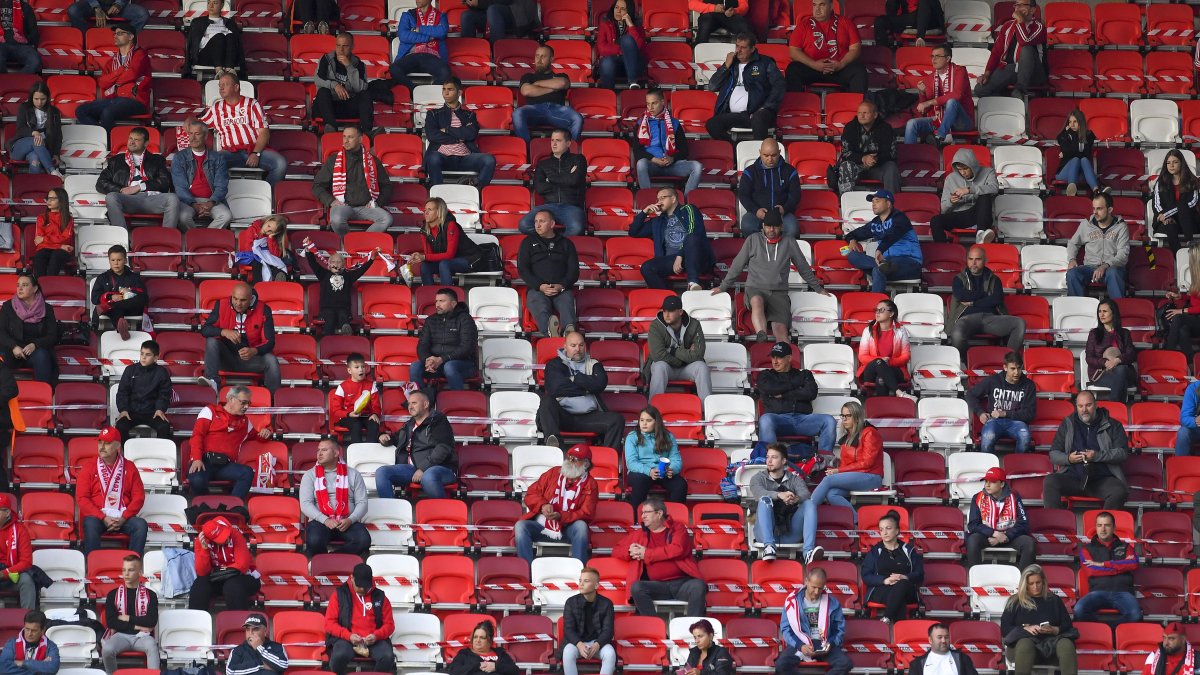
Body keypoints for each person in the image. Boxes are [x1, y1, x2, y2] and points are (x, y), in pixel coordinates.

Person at [717, 211, 827, 342]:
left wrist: (818, 288)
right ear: (763, 226)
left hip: (779, 293)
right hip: (755, 288)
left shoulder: (789, 242)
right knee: (757, 301)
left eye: (775, 226)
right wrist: (723, 287)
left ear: (781, 227)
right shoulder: (753, 239)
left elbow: (803, 267)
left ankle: (786, 359)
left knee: (780, 330)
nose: (771, 229)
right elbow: (737, 265)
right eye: (768, 226)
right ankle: (761, 334)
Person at [801, 400, 883, 565]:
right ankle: (856, 520)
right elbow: (847, 465)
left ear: (857, 417)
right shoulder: (846, 438)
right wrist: (837, 466)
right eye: (843, 415)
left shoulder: (869, 433)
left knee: (828, 479)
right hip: (855, 476)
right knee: (832, 493)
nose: (844, 419)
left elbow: (867, 463)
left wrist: (838, 472)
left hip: (871, 476)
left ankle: (804, 513)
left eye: (848, 416)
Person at [614, 496, 706, 617]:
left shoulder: (677, 528)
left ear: (659, 513)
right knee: (637, 587)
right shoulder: (639, 534)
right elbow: (616, 550)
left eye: (646, 512)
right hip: (657, 586)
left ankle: (694, 630)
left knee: (698, 585)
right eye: (642, 513)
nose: (642, 516)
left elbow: (677, 549)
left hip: (682, 583)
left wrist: (647, 554)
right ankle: (656, 629)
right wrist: (629, 551)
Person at [539, 331, 626, 451]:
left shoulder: (593, 364)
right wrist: (586, 389)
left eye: (580, 345)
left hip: (589, 417)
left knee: (617, 420)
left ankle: (606, 458)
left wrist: (575, 378)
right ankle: (555, 446)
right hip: (563, 416)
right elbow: (555, 388)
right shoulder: (554, 365)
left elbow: (600, 384)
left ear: (585, 346)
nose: (577, 349)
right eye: (573, 345)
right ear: (565, 347)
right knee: (547, 401)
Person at [1044, 391, 1130, 509]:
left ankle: (1103, 526)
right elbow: (1053, 455)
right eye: (1080, 406)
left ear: (1096, 404)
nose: (1084, 409)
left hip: (1102, 479)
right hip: (1073, 477)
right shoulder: (1068, 424)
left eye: (1088, 405)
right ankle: (1052, 525)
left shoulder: (1113, 425)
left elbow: (1122, 453)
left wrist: (1097, 456)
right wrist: (1068, 459)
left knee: (1119, 491)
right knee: (1050, 481)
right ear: (1076, 406)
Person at [200, 73, 287, 185]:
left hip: (255, 150)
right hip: (229, 153)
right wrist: (190, 119)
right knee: (209, 163)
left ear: (236, 87)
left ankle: (268, 193)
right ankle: (219, 195)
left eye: (225, 84)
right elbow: (199, 124)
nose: (221, 88)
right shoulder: (216, 108)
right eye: (219, 85)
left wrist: (256, 153)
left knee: (280, 164)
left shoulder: (252, 104)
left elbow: (264, 132)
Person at [515, 444, 597, 564]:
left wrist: (561, 516)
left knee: (581, 527)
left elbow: (586, 513)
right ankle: (526, 573)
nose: (569, 461)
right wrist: (543, 505)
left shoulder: (591, 484)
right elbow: (531, 494)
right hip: (542, 527)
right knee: (520, 526)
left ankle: (579, 573)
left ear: (586, 464)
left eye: (574, 459)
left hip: (568, 529)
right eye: (569, 457)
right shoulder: (553, 473)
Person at [188, 386, 272, 498]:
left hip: (225, 466)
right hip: (204, 462)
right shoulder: (210, 410)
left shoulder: (245, 421)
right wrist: (197, 459)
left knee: (247, 472)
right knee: (197, 480)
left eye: (248, 403)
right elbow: (197, 435)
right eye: (243, 402)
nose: (246, 406)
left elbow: (258, 436)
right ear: (231, 399)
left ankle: (232, 508)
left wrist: (267, 431)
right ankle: (204, 507)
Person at [754, 343, 836, 455]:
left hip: (803, 419)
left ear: (789, 358)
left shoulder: (805, 374)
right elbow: (772, 389)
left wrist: (783, 394)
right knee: (765, 420)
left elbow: (811, 393)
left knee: (829, 420)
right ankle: (771, 459)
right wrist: (796, 384)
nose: (775, 361)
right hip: (778, 420)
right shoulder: (765, 375)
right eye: (773, 357)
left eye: (779, 357)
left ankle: (824, 460)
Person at [77, 426, 148, 555]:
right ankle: (93, 566)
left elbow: (139, 497)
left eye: (107, 443)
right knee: (90, 523)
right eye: (100, 442)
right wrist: (103, 517)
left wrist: (124, 517)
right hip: (98, 516)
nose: (102, 447)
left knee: (140, 525)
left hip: (122, 517)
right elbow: (82, 499)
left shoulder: (130, 467)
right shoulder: (89, 466)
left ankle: (133, 565)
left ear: (117, 446)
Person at [199, 282, 281, 393]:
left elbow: (270, 342)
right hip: (225, 359)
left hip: (251, 360)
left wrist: (254, 351)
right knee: (211, 340)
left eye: (243, 300)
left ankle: (272, 399)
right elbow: (205, 330)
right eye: (235, 298)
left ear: (251, 299)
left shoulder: (263, 309)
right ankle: (212, 382)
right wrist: (223, 332)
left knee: (271, 360)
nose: (238, 303)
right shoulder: (222, 304)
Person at [376, 389, 458, 499]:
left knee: (428, 476)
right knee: (382, 472)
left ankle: (444, 512)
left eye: (414, 403)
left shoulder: (438, 421)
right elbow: (397, 438)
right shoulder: (409, 424)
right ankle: (391, 512)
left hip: (441, 468)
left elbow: (443, 448)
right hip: (412, 469)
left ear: (425, 404)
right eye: (409, 403)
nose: (410, 406)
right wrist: (384, 438)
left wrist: (423, 468)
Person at [948, 246, 1026, 360]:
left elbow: (997, 299)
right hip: (966, 319)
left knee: (1020, 323)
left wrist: (974, 303)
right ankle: (967, 363)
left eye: (978, 259)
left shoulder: (995, 279)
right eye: (970, 259)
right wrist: (985, 295)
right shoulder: (958, 279)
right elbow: (961, 295)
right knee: (957, 334)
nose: (973, 263)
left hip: (990, 318)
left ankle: (1008, 362)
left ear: (985, 261)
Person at [630, 187, 715, 290]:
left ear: (673, 199)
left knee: (692, 237)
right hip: (671, 261)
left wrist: (680, 255)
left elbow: (694, 231)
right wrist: (644, 213)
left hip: (696, 257)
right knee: (647, 268)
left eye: (662, 198)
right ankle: (667, 297)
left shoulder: (688, 209)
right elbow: (634, 232)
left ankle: (693, 283)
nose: (659, 202)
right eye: (657, 199)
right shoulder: (658, 221)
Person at [705, 32, 784, 142]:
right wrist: (726, 66)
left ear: (752, 49)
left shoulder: (765, 63)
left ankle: (760, 155)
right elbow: (713, 86)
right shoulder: (731, 64)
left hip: (760, 113)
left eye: (743, 47)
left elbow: (779, 85)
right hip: (738, 115)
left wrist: (766, 107)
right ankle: (736, 149)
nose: (738, 51)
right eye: (737, 46)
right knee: (712, 124)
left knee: (758, 118)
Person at [313, 126, 392, 235]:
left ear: (360, 140)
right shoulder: (334, 160)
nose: (346, 140)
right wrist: (331, 201)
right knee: (336, 220)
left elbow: (386, 186)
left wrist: (377, 202)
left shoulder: (373, 161)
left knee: (386, 219)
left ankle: (361, 242)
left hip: (367, 207)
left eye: (350, 137)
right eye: (344, 136)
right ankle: (347, 242)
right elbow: (317, 185)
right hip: (343, 206)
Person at [1001, 565, 1078, 675]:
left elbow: (1068, 625)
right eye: (1031, 584)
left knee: (1066, 644)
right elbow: (1005, 629)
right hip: (1022, 648)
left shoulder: (1054, 600)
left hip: (1051, 646)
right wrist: (1025, 629)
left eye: (1038, 582)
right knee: (1025, 643)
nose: (1035, 587)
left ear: (1043, 582)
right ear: (1024, 584)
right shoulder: (1015, 602)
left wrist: (1055, 629)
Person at [299, 439, 371, 557]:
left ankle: (332, 558)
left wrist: (350, 520)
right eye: (318, 450)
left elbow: (362, 503)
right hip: (321, 521)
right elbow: (305, 504)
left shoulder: (353, 474)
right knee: (314, 540)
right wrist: (325, 520)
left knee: (363, 540)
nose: (319, 454)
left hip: (347, 520)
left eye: (324, 450)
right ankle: (323, 563)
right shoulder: (309, 475)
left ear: (336, 453)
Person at [776, 567, 852, 675]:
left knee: (845, 663)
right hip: (800, 643)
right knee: (781, 665)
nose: (816, 592)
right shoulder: (792, 602)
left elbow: (839, 629)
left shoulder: (833, 603)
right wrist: (800, 646)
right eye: (814, 587)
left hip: (823, 644)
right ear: (806, 581)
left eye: (820, 588)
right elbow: (786, 629)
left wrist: (830, 643)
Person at [424, 77, 496, 188]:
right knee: (433, 157)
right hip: (443, 157)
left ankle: (477, 190)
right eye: (444, 89)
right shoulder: (433, 114)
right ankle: (438, 194)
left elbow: (471, 133)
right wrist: (458, 137)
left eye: (450, 89)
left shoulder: (469, 115)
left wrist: (447, 130)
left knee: (489, 159)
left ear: (459, 92)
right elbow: (432, 135)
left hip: (465, 158)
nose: (446, 93)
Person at [75, 24, 152, 131]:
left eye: (120, 33)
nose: (115, 36)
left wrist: (114, 79)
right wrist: (121, 70)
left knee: (108, 112)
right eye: (115, 34)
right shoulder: (112, 61)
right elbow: (102, 83)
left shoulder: (140, 55)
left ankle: (108, 144)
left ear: (131, 37)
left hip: (136, 101)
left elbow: (132, 74)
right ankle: (101, 137)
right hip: (114, 99)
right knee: (81, 110)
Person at [844, 190, 923, 293]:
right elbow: (854, 233)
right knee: (852, 256)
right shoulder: (875, 223)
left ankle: (874, 303)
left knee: (878, 270)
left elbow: (893, 234)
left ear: (888, 203)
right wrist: (852, 240)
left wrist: (880, 250)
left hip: (909, 262)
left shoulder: (900, 217)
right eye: (872, 202)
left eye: (877, 201)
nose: (873, 204)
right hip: (888, 264)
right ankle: (880, 271)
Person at [325, 563, 395, 675]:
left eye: (365, 586)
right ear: (352, 578)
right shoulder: (339, 594)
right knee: (339, 656)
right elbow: (329, 623)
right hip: (346, 638)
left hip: (373, 640)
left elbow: (389, 625)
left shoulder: (380, 597)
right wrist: (348, 635)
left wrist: (376, 635)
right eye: (359, 585)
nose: (362, 589)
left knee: (387, 657)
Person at [518, 210, 578, 337]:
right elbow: (523, 269)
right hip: (538, 289)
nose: (537, 225)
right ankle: (551, 334)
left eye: (542, 221)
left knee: (567, 305)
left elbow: (574, 271)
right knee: (539, 306)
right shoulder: (527, 242)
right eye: (536, 221)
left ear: (552, 224)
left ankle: (569, 335)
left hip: (561, 289)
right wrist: (540, 286)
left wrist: (561, 285)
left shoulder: (566, 243)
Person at [786, 0, 867, 93]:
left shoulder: (846, 23)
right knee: (793, 69)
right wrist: (814, 65)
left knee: (859, 70)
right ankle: (795, 106)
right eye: (814, 5)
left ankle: (856, 106)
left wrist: (841, 64)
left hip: (839, 69)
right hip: (812, 68)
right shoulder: (803, 25)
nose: (817, 9)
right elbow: (793, 51)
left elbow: (855, 49)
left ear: (831, 6)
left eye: (822, 5)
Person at [517, 129, 587, 237]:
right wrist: (567, 177)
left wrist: (550, 179)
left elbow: (574, 181)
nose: (554, 144)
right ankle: (550, 241)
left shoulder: (579, 159)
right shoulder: (543, 164)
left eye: (558, 140)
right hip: (548, 206)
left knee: (577, 228)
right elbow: (540, 188)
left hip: (571, 207)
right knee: (524, 224)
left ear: (568, 143)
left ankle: (556, 244)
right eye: (552, 140)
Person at [1075, 510, 1142, 622]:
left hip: (1123, 592)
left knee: (1135, 614)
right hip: (1097, 592)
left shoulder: (1126, 547)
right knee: (1079, 610)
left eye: (1107, 525)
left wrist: (1104, 565)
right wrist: (1120, 567)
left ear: (1114, 527)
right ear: (1096, 527)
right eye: (1099, 525)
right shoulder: (1086, 549)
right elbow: (1091, 571)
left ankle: (1111, 629)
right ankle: (1103, 629)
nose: (1103, 529)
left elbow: (1134, 564)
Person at [965, 351, 1037, 454]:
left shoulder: (1029, 385)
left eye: (1019, 368)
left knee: (1025, 436)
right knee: (988, 436)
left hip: (1017, 423)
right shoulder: (993, 380)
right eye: (1012, 369)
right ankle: (987, 466)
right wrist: (980, 412)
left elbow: (1030, 414)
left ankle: (1018, 467)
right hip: (994, 421)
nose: (1016, 372)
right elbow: (970, 394)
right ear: (1005, 367)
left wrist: (1005, 413)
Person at [750, 443, 812, 561]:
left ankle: (808, 551)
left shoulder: (794, 478)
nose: (769, 461)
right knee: (764, 500)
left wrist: (795, 499)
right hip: (764, 535)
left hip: (789, 534)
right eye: (768, 457)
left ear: (784, 461)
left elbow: (805, 494)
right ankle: (769, 547)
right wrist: (780, 495)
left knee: (809, 503)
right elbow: (759, 493)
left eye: (774, 457)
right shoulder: (757, 478)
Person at [860, 509, 924, 623]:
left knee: (902, 585)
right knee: (899, 598)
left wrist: (905, 577)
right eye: (881, 529)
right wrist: (885, 580)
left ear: (897, 531)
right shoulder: (875, 551)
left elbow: (920, 575)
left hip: (907, 589)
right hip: (882, 589)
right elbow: (866, 575)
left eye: (888, 528)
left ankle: (888, 617)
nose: (884, 532)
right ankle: (898, 629)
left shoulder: (909, 550)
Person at [634, 89, 701, 195]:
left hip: (672, 164)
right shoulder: (640, 123)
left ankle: (686, 202)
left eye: (654, 103)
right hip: (652, 164)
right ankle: (646, 199)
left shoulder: (674, 123)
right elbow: (637, 151)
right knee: (641, 163)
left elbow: (684, 150)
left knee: (697, 166)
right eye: (648, 104)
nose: (650, 107)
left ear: (662, 102)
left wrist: (672, 158)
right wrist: (654, 159)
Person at [644, 294, 711, 400]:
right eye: (664, 311)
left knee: (701, 366)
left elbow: (698, 354)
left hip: (686, 368)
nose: (666, 314)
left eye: (670, 311)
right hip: (667, 367)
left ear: (680, 312)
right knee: (659, 366)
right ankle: (653, 411)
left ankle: (706, 411)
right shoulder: (656, 325)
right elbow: (657, 355)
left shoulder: (694, 324)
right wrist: (683, 357)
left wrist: (673, 351)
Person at [410, 287, 478, 391]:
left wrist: (442, 359)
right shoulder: (430, 320)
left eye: (442, 301)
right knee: (415, 367)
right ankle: (422, 401)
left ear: (453, 303)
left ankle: (458, 401)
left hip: (463, 364)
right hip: (437, 364)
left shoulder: (465, 319)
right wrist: (428, 360)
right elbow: (423, 344)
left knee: (449, 367)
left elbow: (466, 348)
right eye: (436, 301)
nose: (437, 305)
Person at [513, 45, 584, 142]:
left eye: (543, 56)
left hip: (557, 110)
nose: (539, 59)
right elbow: (526, 91)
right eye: (537, 56)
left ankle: (569, 153)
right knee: (517, 113)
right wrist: (553, 88)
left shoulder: (561, 75)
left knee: (577, 118)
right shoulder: (528, 76)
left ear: (551, 59)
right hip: (534, 110)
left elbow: (562, 83)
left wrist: (537, 84)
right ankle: (526, 149)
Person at [975, 0, 1046, 98]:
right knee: (980, 90)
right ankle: (1007, 101)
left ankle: (1020, 89)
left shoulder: (1039, 27)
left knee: (1026, 49)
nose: (1018, 8)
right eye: (1016, 5)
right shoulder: (1007, 26)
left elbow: (1024, 41)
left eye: (1022, 5)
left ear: (1033, 10)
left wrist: (1020, 21)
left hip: (1033, 72)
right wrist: (986, 74)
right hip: (1011, 68)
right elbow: (996, 52)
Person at [967, 467, 1034, 569]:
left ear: (1002, 484)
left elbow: (1023, 524)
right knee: (972, 540)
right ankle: (976, 580)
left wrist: (1006, 536)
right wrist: (994, 533)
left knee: (1029, 543)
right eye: (986, 481)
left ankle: (1022, 582)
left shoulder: (1014, 497)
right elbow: (973, 525)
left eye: (992, 482)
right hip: (987, 536)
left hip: (1010, 537)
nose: (987, 485)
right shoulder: (977, 497)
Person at [101, 555, 159, 673]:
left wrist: (127, 618)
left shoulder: (151, 595)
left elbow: (151, 621)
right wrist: (136, 625)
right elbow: (111, 622)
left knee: (152, 646)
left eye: (131, 570)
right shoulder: (113, 594)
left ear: (140, 572)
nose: (126, 574)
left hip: (142, 636)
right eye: (124, 570)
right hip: (120, 635)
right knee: (107, 649)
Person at [302, 239, 372, 336]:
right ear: (329, 264)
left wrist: (371, 259)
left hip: (343, 309)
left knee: (343, 316)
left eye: (339, 262)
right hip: (326, 309)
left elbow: (361, 270)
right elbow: (313, 264)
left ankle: (346, 330)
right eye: (333, 261)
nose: (336, 264)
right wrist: (308, 251)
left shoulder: (348, 276)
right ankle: (327, 341)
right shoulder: (323, 274)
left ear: (343, 265)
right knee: (330, 317)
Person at [189, 515, 260, 610]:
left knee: (232, 586)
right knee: (200, 585)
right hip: (217, 579)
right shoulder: (200, 542)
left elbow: (242, 566)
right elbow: (202, 572)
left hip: (245, 577)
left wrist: (219, 570)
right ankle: (196, 623)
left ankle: (238, 623)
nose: (226, 538)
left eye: (224, 533)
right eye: (220, 538)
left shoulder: (235, 534)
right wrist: (205, 549)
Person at [172, 121, 233, 229]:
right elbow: (180, 187)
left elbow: (221, 186)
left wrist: (210, 204)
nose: (192, 138)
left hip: (211, 200)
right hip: (188, 201)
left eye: (197, 134)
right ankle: (196, 240)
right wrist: (194, 205)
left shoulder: (218, 158)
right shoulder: (179, 157)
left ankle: (205, 239)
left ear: (205, 136)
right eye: (190, 133)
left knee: (226, 216)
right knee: (183, 217)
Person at [1066, 193, 1129, 299]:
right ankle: (1078, 311)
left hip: (1111, 268)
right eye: (1093, 208)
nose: (1095, 212)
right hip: (1089, 268)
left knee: (1114, 273)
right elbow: (1073, 243)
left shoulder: (1121, 226)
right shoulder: (1086, 224)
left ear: (1109, 210)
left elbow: (1123, 254)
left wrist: (1105, 266)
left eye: (1099, 208)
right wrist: (1072, 259)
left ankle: (1118, 310)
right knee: (1072, 274)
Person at [931, 148, 999, 244]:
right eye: (959, 170)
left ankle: (981, 234)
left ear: (973, 166)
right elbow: (943, 209)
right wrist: (951, 202)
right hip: (959, 215)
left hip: (979, 214)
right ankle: (943, 250)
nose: (962, 173)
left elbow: (994, 188)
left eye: (965, 169)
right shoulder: (951, 178)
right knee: (935, 220)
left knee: (984, 195)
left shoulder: (988, 172)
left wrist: (969, 190)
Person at [0, 275, 58, 385]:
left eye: (24, 285)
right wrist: (13, 346)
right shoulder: (8, 306)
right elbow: (1, 331)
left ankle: (42, 394)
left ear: (35, 288)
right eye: (18, 285)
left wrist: (35, 345)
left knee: (42, 355)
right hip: (12, 351)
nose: (20, 288)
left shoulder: (47, 309)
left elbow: (52, 336)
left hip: (35, 351)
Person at [738, 139, 801, 237]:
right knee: (747, 226)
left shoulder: (790, 171)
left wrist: (785, 209)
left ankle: (782, 252)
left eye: (774, 155)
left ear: (780, 152)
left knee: (793, 229)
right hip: (757, 214)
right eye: (766, 155)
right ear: (760, 153)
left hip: (782, 214)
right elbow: (743, 195)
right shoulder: (750, 171)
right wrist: (756, 210)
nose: (770, 159)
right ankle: (759, 251)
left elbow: (795, 195)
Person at [624, 406, 686, 507]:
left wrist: (672, 469)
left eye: (648, 420)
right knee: (640, 482)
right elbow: (631, 463)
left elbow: (676, 459)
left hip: (663, 472)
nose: (644, 423)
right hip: (641, 471)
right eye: (642, 420)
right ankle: (637, 519)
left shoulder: (668, 436)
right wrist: (649, 471)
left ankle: (673, 518)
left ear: (656, 422)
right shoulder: (632, 436)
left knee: (680, 485)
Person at [833, 102, 899, 195]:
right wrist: (863, 158)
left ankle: (891, 203)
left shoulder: (885, 128)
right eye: (859, 113)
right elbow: (846, 152)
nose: (861, 116)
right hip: (857, 167)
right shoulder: (850, 127)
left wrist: (875, 159)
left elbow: (891, 153)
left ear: (875, 115)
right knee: (845, 166)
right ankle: (846, 202)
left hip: (878, 166)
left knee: (891, 167)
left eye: (865, 113)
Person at [312, 33, 373, 134]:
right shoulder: (326, 59)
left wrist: (349, 66)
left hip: (347, 105)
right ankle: (331, 128)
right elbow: (317, 79)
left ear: (352, 46)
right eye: (338, 45)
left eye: (345, 46)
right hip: (328, 106)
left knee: (365, 94)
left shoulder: (359, 64)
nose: (341, 50)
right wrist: (334, 85)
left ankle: (367, 132)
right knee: (322, 91)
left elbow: (360, 88)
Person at [412, 197, 481, 285]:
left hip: (469, 258)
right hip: (448, 261)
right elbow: (430, 256)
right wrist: (419, 257)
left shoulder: (450, 225)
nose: (426, 213)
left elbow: (450, 255)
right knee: (425, 267)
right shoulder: (424, 230)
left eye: (430, 210)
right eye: (425, 210)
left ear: (439, 212)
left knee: (444, 264)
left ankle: (446, 294)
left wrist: (424, 257)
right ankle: (429, 295)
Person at [114, 340, 173, 441]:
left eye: (148, 355)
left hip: (153, 413)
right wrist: (123, 409)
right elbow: (122, 392)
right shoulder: (130, 370)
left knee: (164, 427)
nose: (143, 357)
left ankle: (159, 455)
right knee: (120, 427)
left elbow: (164, 394)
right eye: (142, 353)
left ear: (156, 357)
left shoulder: (162, 372)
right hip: (131, 412)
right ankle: (126, 454)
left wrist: (160, 409)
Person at [561, 568, 616, 675]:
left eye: (586, 581)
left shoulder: (607, 603)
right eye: (580, 580)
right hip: (577, 643)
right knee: (568, 652)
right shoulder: (571, 602)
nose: (581, 584)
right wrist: (580, 645)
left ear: (596, 586)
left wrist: (597, 644)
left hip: (599, 643)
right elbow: (568, 629)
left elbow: (608, 630)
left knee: (610, 653)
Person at [855, 299, 912, 398]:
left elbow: (906, 356)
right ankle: (899, 393)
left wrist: (889, 362)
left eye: (881, 310)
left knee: (880, 379)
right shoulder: (868, 330)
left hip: (894, 368)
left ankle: (883, 409)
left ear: (891, 313)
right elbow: (862, 357)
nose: (877, 312)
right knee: (878, 362)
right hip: (871, 370)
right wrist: (880, 360)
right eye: (876, 310)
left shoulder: (901, 331)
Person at [390, 0, 451, 90]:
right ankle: (413, 90)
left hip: (432, 56)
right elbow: (403, 36)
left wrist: (418, 29)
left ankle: (428, 92)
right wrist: (428, 37)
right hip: (411, 55)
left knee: (446, 72)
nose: (417, 0)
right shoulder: (407, 15)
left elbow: (442, 32)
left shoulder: (441, 15)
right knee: (394, 69)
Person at [92, 245, 148, 340]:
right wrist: (110, 297)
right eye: (113, 260)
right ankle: (121, 326)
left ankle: (110, 306)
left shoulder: (134, 277)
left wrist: (130, 291)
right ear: (109, 261)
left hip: (130, 308)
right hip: (113, 311)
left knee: (139, 299)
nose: (116, 263)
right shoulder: (102, 277)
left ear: (125, 260)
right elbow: (94, 298)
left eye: (119, 260)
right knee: (114, 308)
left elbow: (144, 298)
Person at [1085, 300, 1136, 403]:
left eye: (1105, 311)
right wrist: (1105, 362)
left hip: (1123, 371)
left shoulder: (1124, 333)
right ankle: (1118, 408)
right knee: (1122, 380)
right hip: (1101, 373)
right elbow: (1089, 358)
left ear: (1113, 313)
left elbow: (1131, 354)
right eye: (1099, 311)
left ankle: (1113, 409)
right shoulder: (1094, 334)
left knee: (1121, 370)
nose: (1101, 315)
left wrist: (1117, 360)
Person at [1152, 149, 1200, 253]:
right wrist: (1165, 217)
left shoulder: (1192, 181)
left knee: (1183, 204)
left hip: (1188, 222)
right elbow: (1156, 205)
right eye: (1168, 163)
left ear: (1181, 163)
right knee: (1169, 225)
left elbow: (1192, 202)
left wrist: (1167, 213)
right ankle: (1178, 255)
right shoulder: (1161, 182)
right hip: (1165, 221)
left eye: (1175, 162)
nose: (1171, 165)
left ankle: (1189, 242)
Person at [10, 82, 62, 177]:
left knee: (35, 159)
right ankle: (52, 171)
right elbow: (20, 129)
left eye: (43, 99)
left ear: (48, 98)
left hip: (41, 149)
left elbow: (58, 135)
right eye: (36, 99)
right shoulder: (24, 108)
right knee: (36, 140)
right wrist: (34, 132)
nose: (39, 102)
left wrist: (56, 154)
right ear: (31, 97)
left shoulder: (54, 112)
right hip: (20, 147)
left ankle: (35, 187)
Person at [330, 353, 383, 445]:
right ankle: (357, 454)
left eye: (363, 366)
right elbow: (335, 410)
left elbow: (376, 405)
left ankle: (371, 453)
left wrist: (375, 414)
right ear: (349, 370)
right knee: (356, 425)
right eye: (357, 367)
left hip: (367, 416)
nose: (361, 369)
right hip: (349, 417)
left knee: (374, 424)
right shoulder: (342, 387)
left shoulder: (371, 385)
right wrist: (349, 414)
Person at [183, 0, 244, 77]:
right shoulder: (197, 22)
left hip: (226, 57)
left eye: (215, 3)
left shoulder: (230, 23)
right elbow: (192, 44)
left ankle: (229, 70)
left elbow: (237, 44)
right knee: (219, 37)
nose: (211, 6)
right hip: (205, 57)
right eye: (209, 2)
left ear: (222, 5)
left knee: (230, 36)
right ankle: (219, 71)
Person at [595, 0, 646, 89]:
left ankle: (633, 82)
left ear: (629, 11)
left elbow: (639, 46)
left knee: (627, 40)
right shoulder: (605, 23)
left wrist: (631, 25)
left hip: (634, 65)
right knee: (607, 62)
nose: (618, 11)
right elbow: (602, 48)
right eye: (616, 7)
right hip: (614, 64)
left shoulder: (637, 25)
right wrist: (626, 50)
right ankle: (607, 95)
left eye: (622, 8)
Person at [1166, 245, 1200, 363]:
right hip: (1195, 319)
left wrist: (1181, 311)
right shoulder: (1196, 276)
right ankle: (1190, 364)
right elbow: (1195, 297)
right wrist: (1180, 296)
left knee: (1179, 318)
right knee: (1183, 331)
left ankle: (1167, 355)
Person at [0, 495, 35, 609]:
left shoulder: (20, 530)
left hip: (11, 572)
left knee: (26, 581)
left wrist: (4, 573)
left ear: (7, 513)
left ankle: (29, 622)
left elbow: (26, 562)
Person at [30, 189, 74, 279]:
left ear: (61, 200)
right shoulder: (41, 218)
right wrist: (60, 246)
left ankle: (49, 288)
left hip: (62, 252)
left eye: (53, 198)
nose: (49, 201)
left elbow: (66, 238)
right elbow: (39, 242)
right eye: (48, 198)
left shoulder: (68, 219)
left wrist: (45, 239)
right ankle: (39, 288)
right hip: (49, 249)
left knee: (56, 256)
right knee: (40, 255)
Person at [448, 621, 519, 675]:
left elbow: (514, 670)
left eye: (482, 638)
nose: (477, 640)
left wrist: (496, 667)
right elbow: (454, 671)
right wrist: (478, 665)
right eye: (475, 637)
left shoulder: (500, 653)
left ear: (489, 640)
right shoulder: (464, 654)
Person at [1056, 110, 1101, 196]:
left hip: (1082, 174)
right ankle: (1072, 189)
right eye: (1070, 122)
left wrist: (1066, 154)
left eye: (1075, 122)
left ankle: (1096, 191)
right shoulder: (1063, 136)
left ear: (1081, 122)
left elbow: (1086, 154)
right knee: (1076, 159)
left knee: (1084, 159)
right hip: (1064, 173)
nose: (1071, 125)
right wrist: (1072, 134)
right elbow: (1072, 151)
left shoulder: (1089, 135)